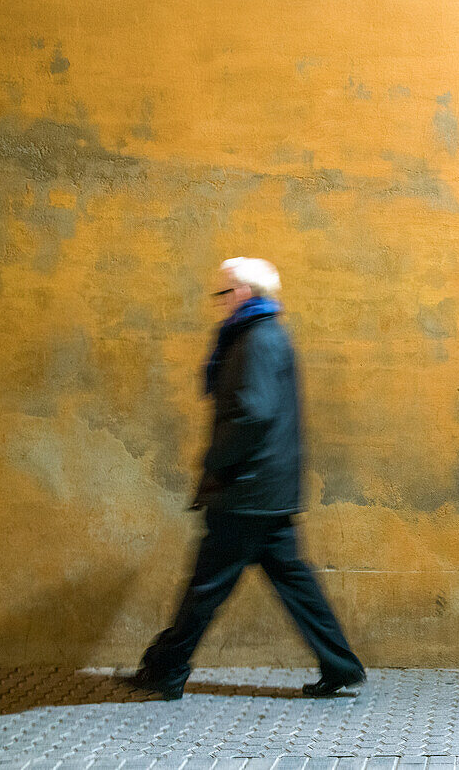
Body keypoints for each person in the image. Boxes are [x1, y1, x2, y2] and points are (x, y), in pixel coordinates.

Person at [127, 257, 366, 700]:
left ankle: (166, 669)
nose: (220, 303)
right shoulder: (268, 335)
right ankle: (340, 663)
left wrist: (217, 461)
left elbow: (253, 413)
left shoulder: (256, 339)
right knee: (292, 581)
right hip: (266, 491)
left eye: (223, 293)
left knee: (205, 588)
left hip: (245, 491)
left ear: (242, 294)